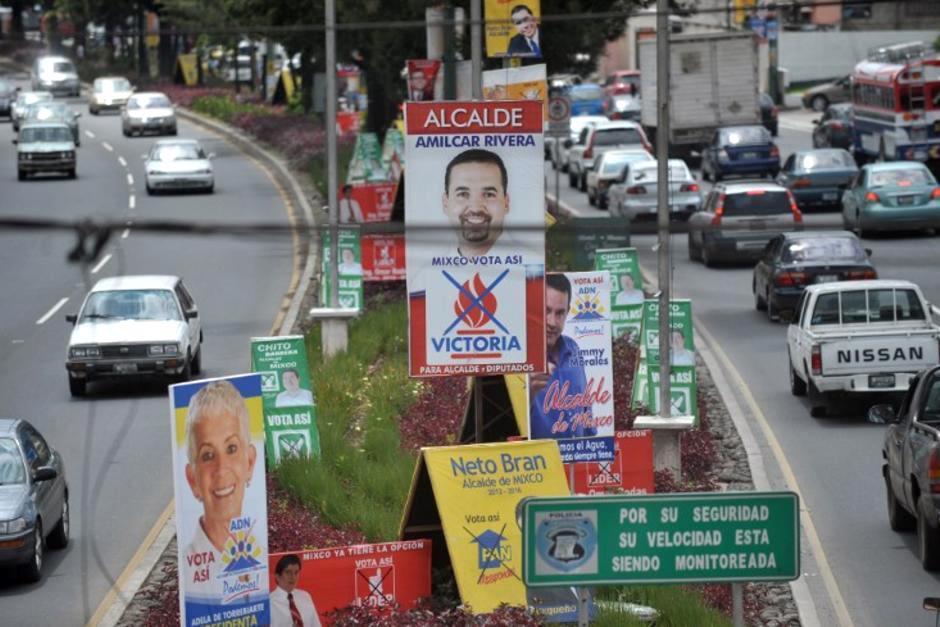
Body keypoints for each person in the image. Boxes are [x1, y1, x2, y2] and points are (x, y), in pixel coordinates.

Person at [182, 380, 260, 598]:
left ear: (250, 463)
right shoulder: (188, 576)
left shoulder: (264, 557)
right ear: (192, 480)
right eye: (208, 455)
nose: (221, 468)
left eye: (231, 448)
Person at [529, 274, 596, 440]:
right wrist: (529, 393)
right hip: (537, 462)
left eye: (560, 313)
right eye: (546, 311)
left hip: (577, 461)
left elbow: (585, 410)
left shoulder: (573, 349)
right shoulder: (518, 359)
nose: (552, 322)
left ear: (568, 312)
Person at [442, 149, 512, 258]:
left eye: (489, 194)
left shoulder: (533, 268)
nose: (475, 208)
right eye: (463, 194)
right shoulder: (427, 274)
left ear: (506, 203)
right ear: (445, 203)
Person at [270, 554, 321, 627]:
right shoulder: (269, 604)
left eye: (296, 572)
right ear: (278, 576)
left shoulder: (305, 596)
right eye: (288, 572)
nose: (293, 577)